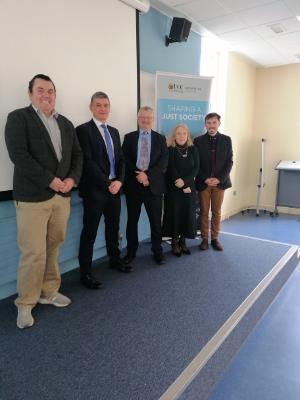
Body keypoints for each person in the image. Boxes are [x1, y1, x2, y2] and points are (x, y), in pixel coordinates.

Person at [5, 74, 83, 329]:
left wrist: (72, 180)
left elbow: (77, 156)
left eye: (50, 91)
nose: (46, 95)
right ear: (30, 94)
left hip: (62, 198)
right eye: (40, 90)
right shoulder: (18, 118)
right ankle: (26, 303)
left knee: (54, 247)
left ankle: (49, 291)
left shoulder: (66, 123)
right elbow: (20, 156)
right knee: (33, 253)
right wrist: (50, 180)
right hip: (32, 198)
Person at [77, 91, 132, 290]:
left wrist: (119, 181)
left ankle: (114, 260)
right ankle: (85, 273)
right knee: (89, 232)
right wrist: (107, 183)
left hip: (115, 189)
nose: (102, 109)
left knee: (113, 227)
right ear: (91, 107)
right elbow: (87, 162)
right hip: (95, 191)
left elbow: (121, 160)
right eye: (98, 105)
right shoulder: (83, 130)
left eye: (105, 105)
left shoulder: (114, 132)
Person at [122, 106, 168, 265]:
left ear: (152, 120)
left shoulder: (160, 138)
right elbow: (125, 160)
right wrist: (139, 175)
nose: (145, 120)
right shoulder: (128, 138)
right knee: (132, 221)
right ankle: (131, 252)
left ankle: (157, 251)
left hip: (153, 187)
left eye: (149, 117)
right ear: (138, 118)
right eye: (142, 117)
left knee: (156, 222)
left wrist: (147, 176)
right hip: (133, 186)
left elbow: (163, 163)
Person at [194, 112, 233, 251]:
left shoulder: (227, 140)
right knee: (204, 212)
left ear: (218, 123)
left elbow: (229, 162)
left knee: (216, 212)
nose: (211, 125)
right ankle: (204, 239)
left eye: (214, 122)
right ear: (205, 124)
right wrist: (205, 178)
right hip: (203, 183)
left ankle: (215, 239)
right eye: (209, 123)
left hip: (220, 183)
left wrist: (219, 179)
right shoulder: (198, 141)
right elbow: (196, 163)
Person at [162, 124, 199, 256]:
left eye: (184, 133)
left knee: (186, 214)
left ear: (187, 134)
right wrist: (182, 184)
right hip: (174, 188)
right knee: (174, 215)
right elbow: (170, 168)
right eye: (178, 133)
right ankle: (174, 242)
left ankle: (183, 241)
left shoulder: (193, 149)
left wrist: (186, 182)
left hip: (189, 188)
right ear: (174, 135)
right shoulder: (170, 149)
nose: (181, 136)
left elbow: (196, 168)